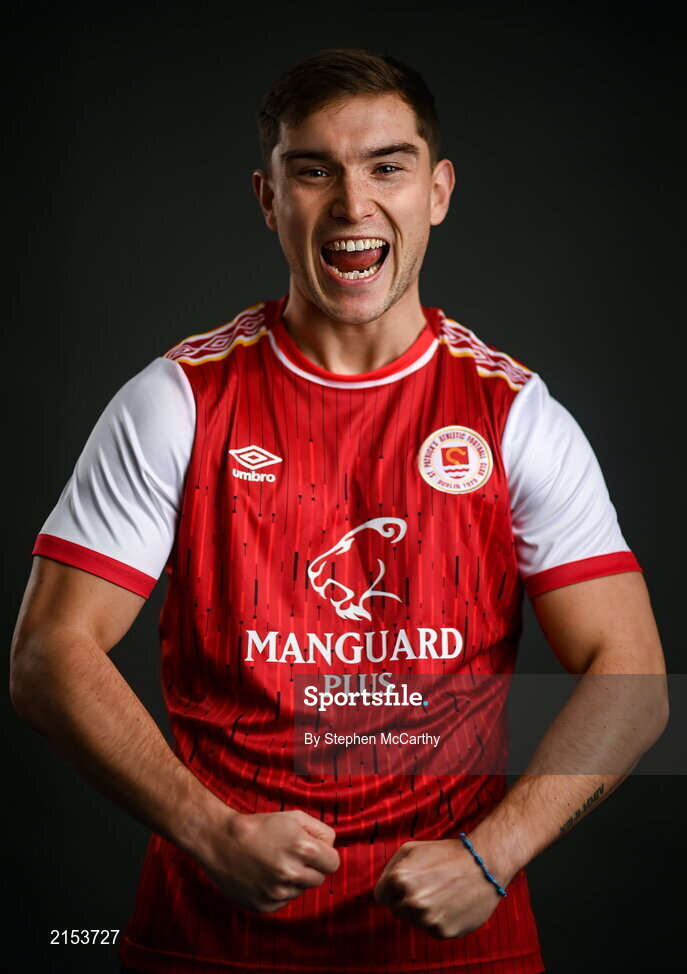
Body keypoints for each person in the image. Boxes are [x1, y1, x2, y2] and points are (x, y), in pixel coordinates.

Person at [10, 48, 668, 974]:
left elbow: (630, 675)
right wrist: (208, 829)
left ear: (437, 191)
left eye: (386, 167)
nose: (353, 206)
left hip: (457, 940)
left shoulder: (514, 416)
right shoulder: (177, 401)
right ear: (268, 198)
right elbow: (47, 653)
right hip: (207, 935)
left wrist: (495, 854)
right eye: (313, 170)